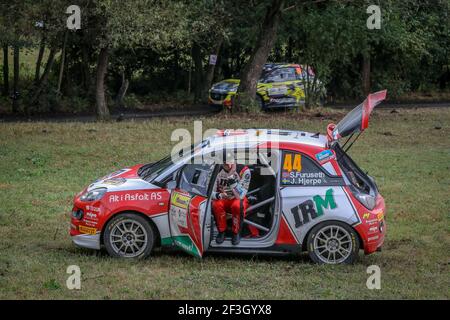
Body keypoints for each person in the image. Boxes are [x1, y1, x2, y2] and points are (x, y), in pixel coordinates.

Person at [211, 160, 259, 245]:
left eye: (231, 162)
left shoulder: (244, 170)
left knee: (237, 205)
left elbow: (240, 195)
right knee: (216, 204)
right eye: (225, 163)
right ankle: (222, 231)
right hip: (222, 197)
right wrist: (219, 195)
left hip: (238, 198)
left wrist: (231, 178)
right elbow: (209, 191)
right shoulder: (215, 169)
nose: (229, 165)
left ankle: (236, 232)